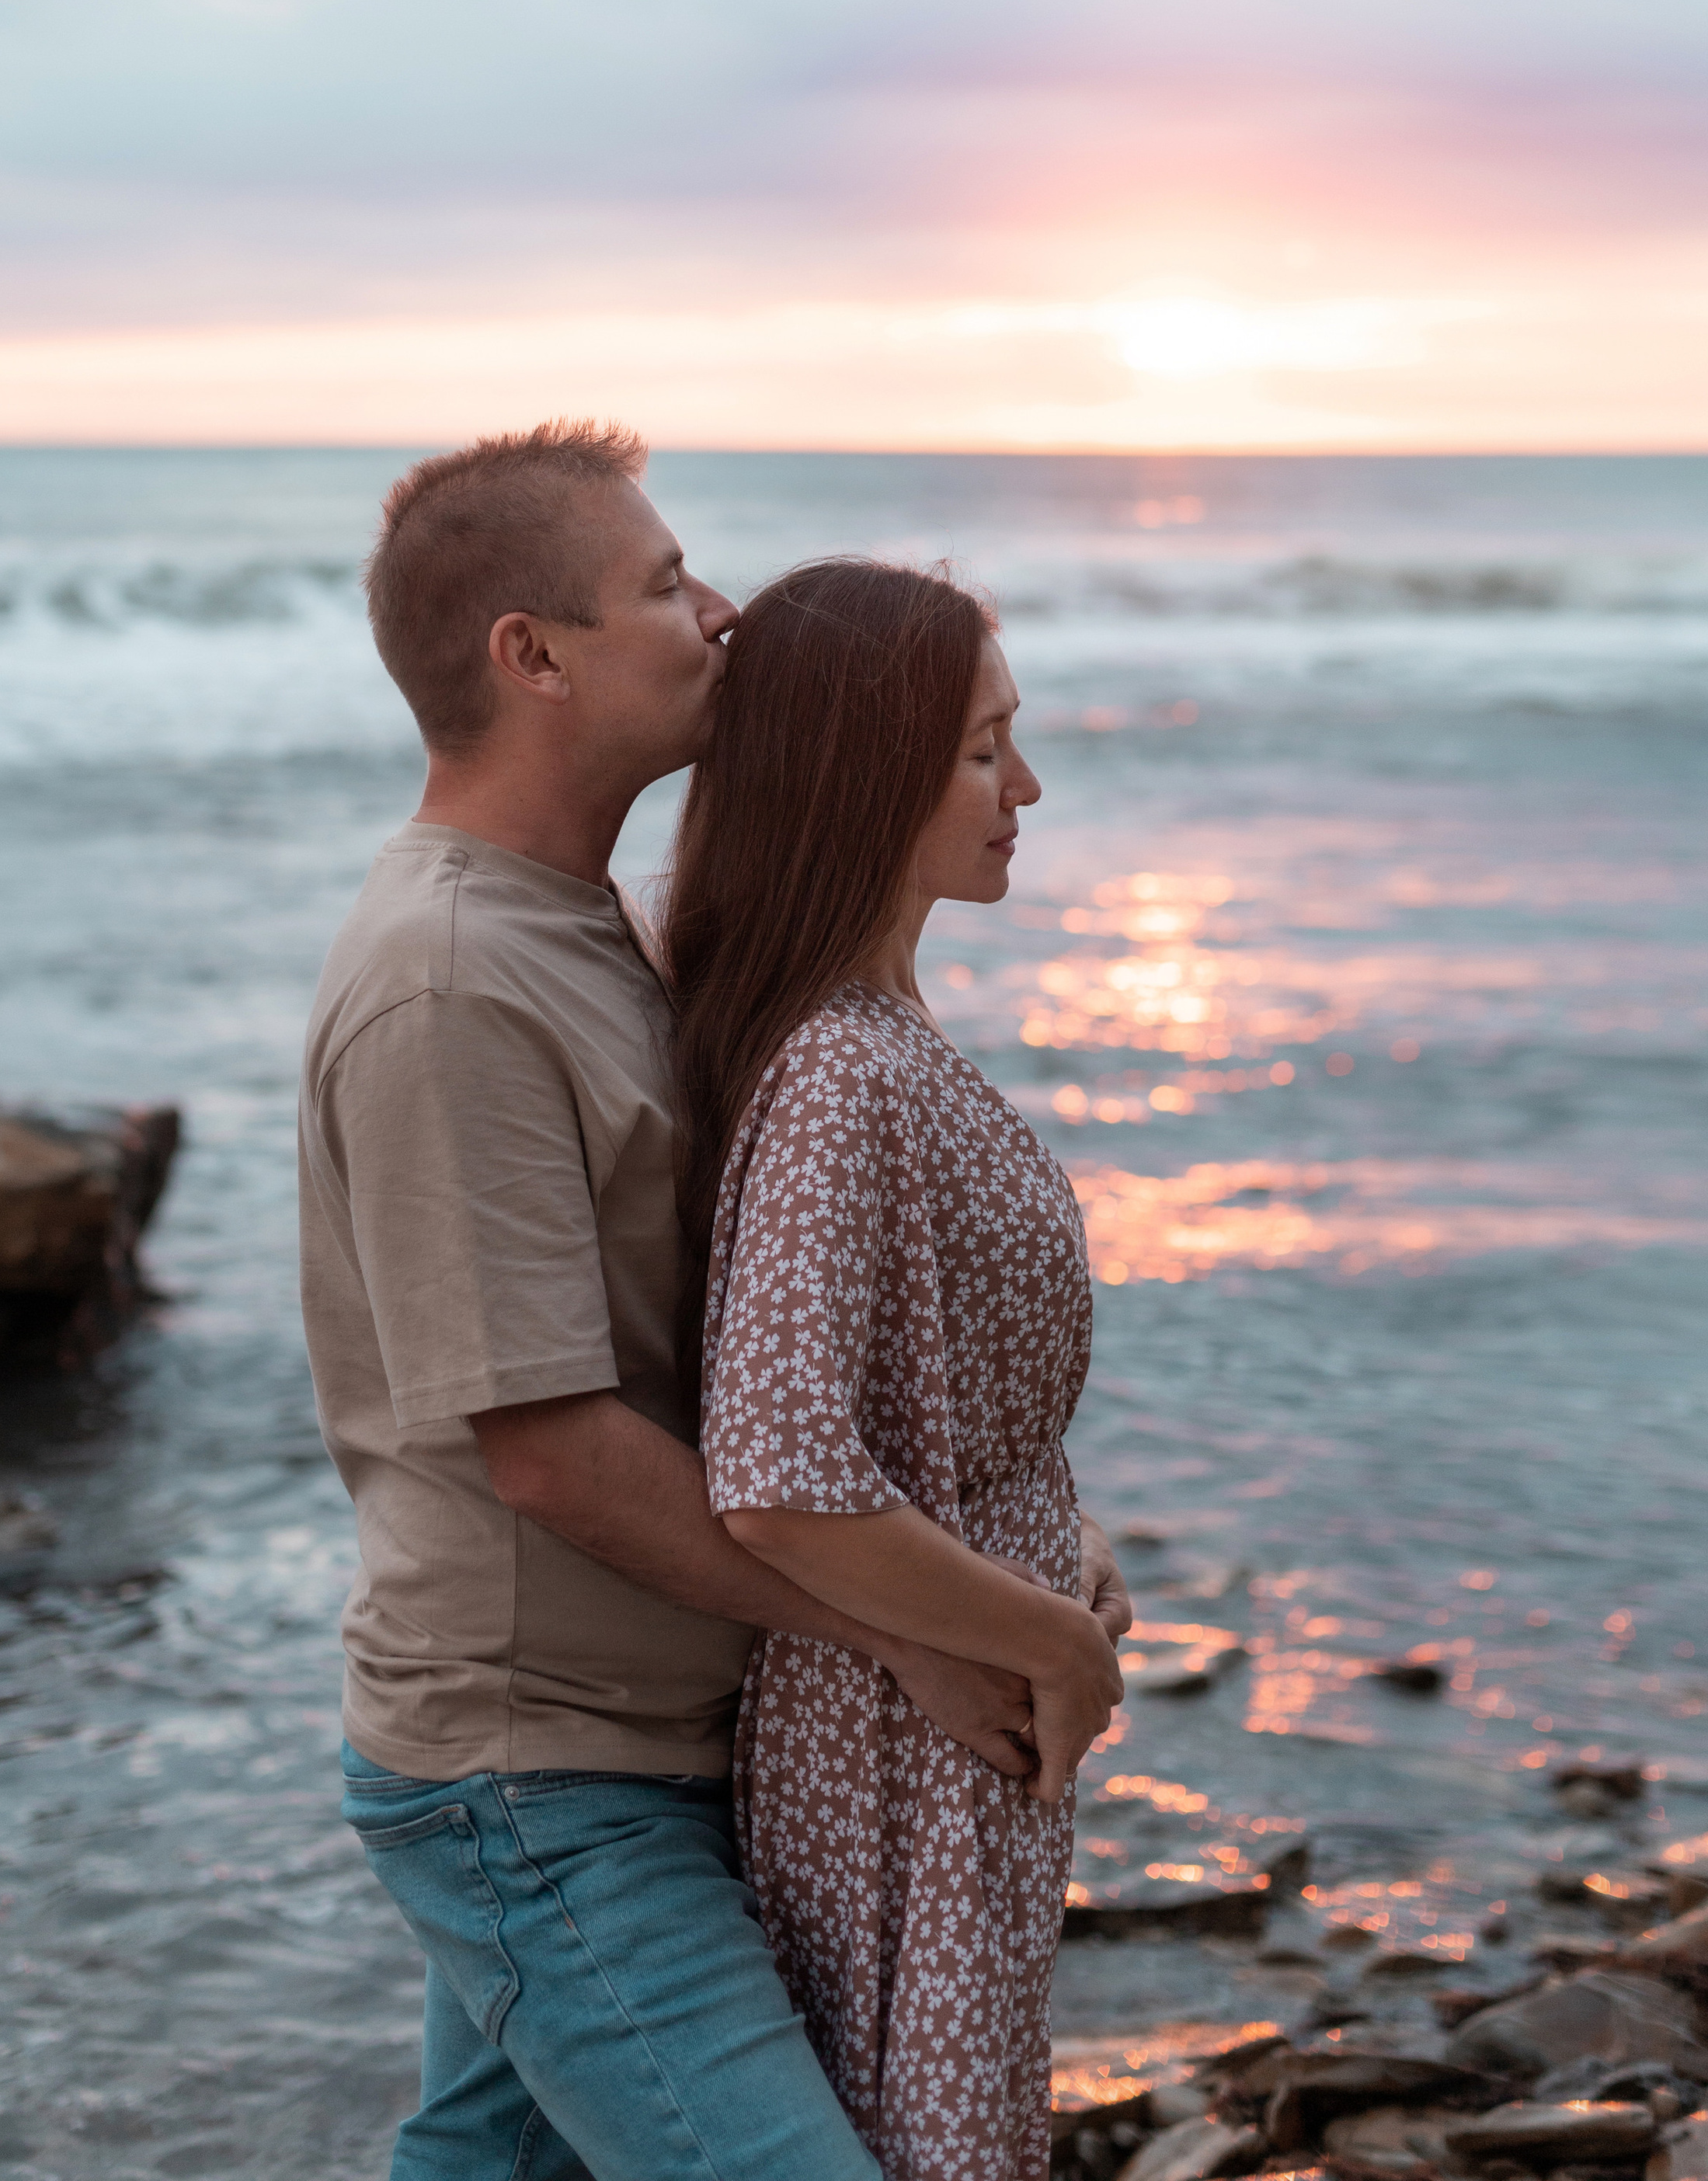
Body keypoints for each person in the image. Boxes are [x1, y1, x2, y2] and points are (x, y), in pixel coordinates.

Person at [297, 424, 1054, 2181]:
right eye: (659, 584)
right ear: (532, 655)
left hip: (648, 1742)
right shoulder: (450, 983)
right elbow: (550, 1452)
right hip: (538, 1780)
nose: (717, 613)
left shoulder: (599, 931)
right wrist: (917, 1635)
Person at [664, 559, 1131, 2181]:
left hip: (945, 1706)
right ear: (863, 776)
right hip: (893, 1738)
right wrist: (1049, 1640)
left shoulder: (871, 1038)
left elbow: (908, 1429)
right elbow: (781, 1481)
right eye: (981, 751)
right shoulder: (838, 1078)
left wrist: (1060, 1540)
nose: (1026, 787)